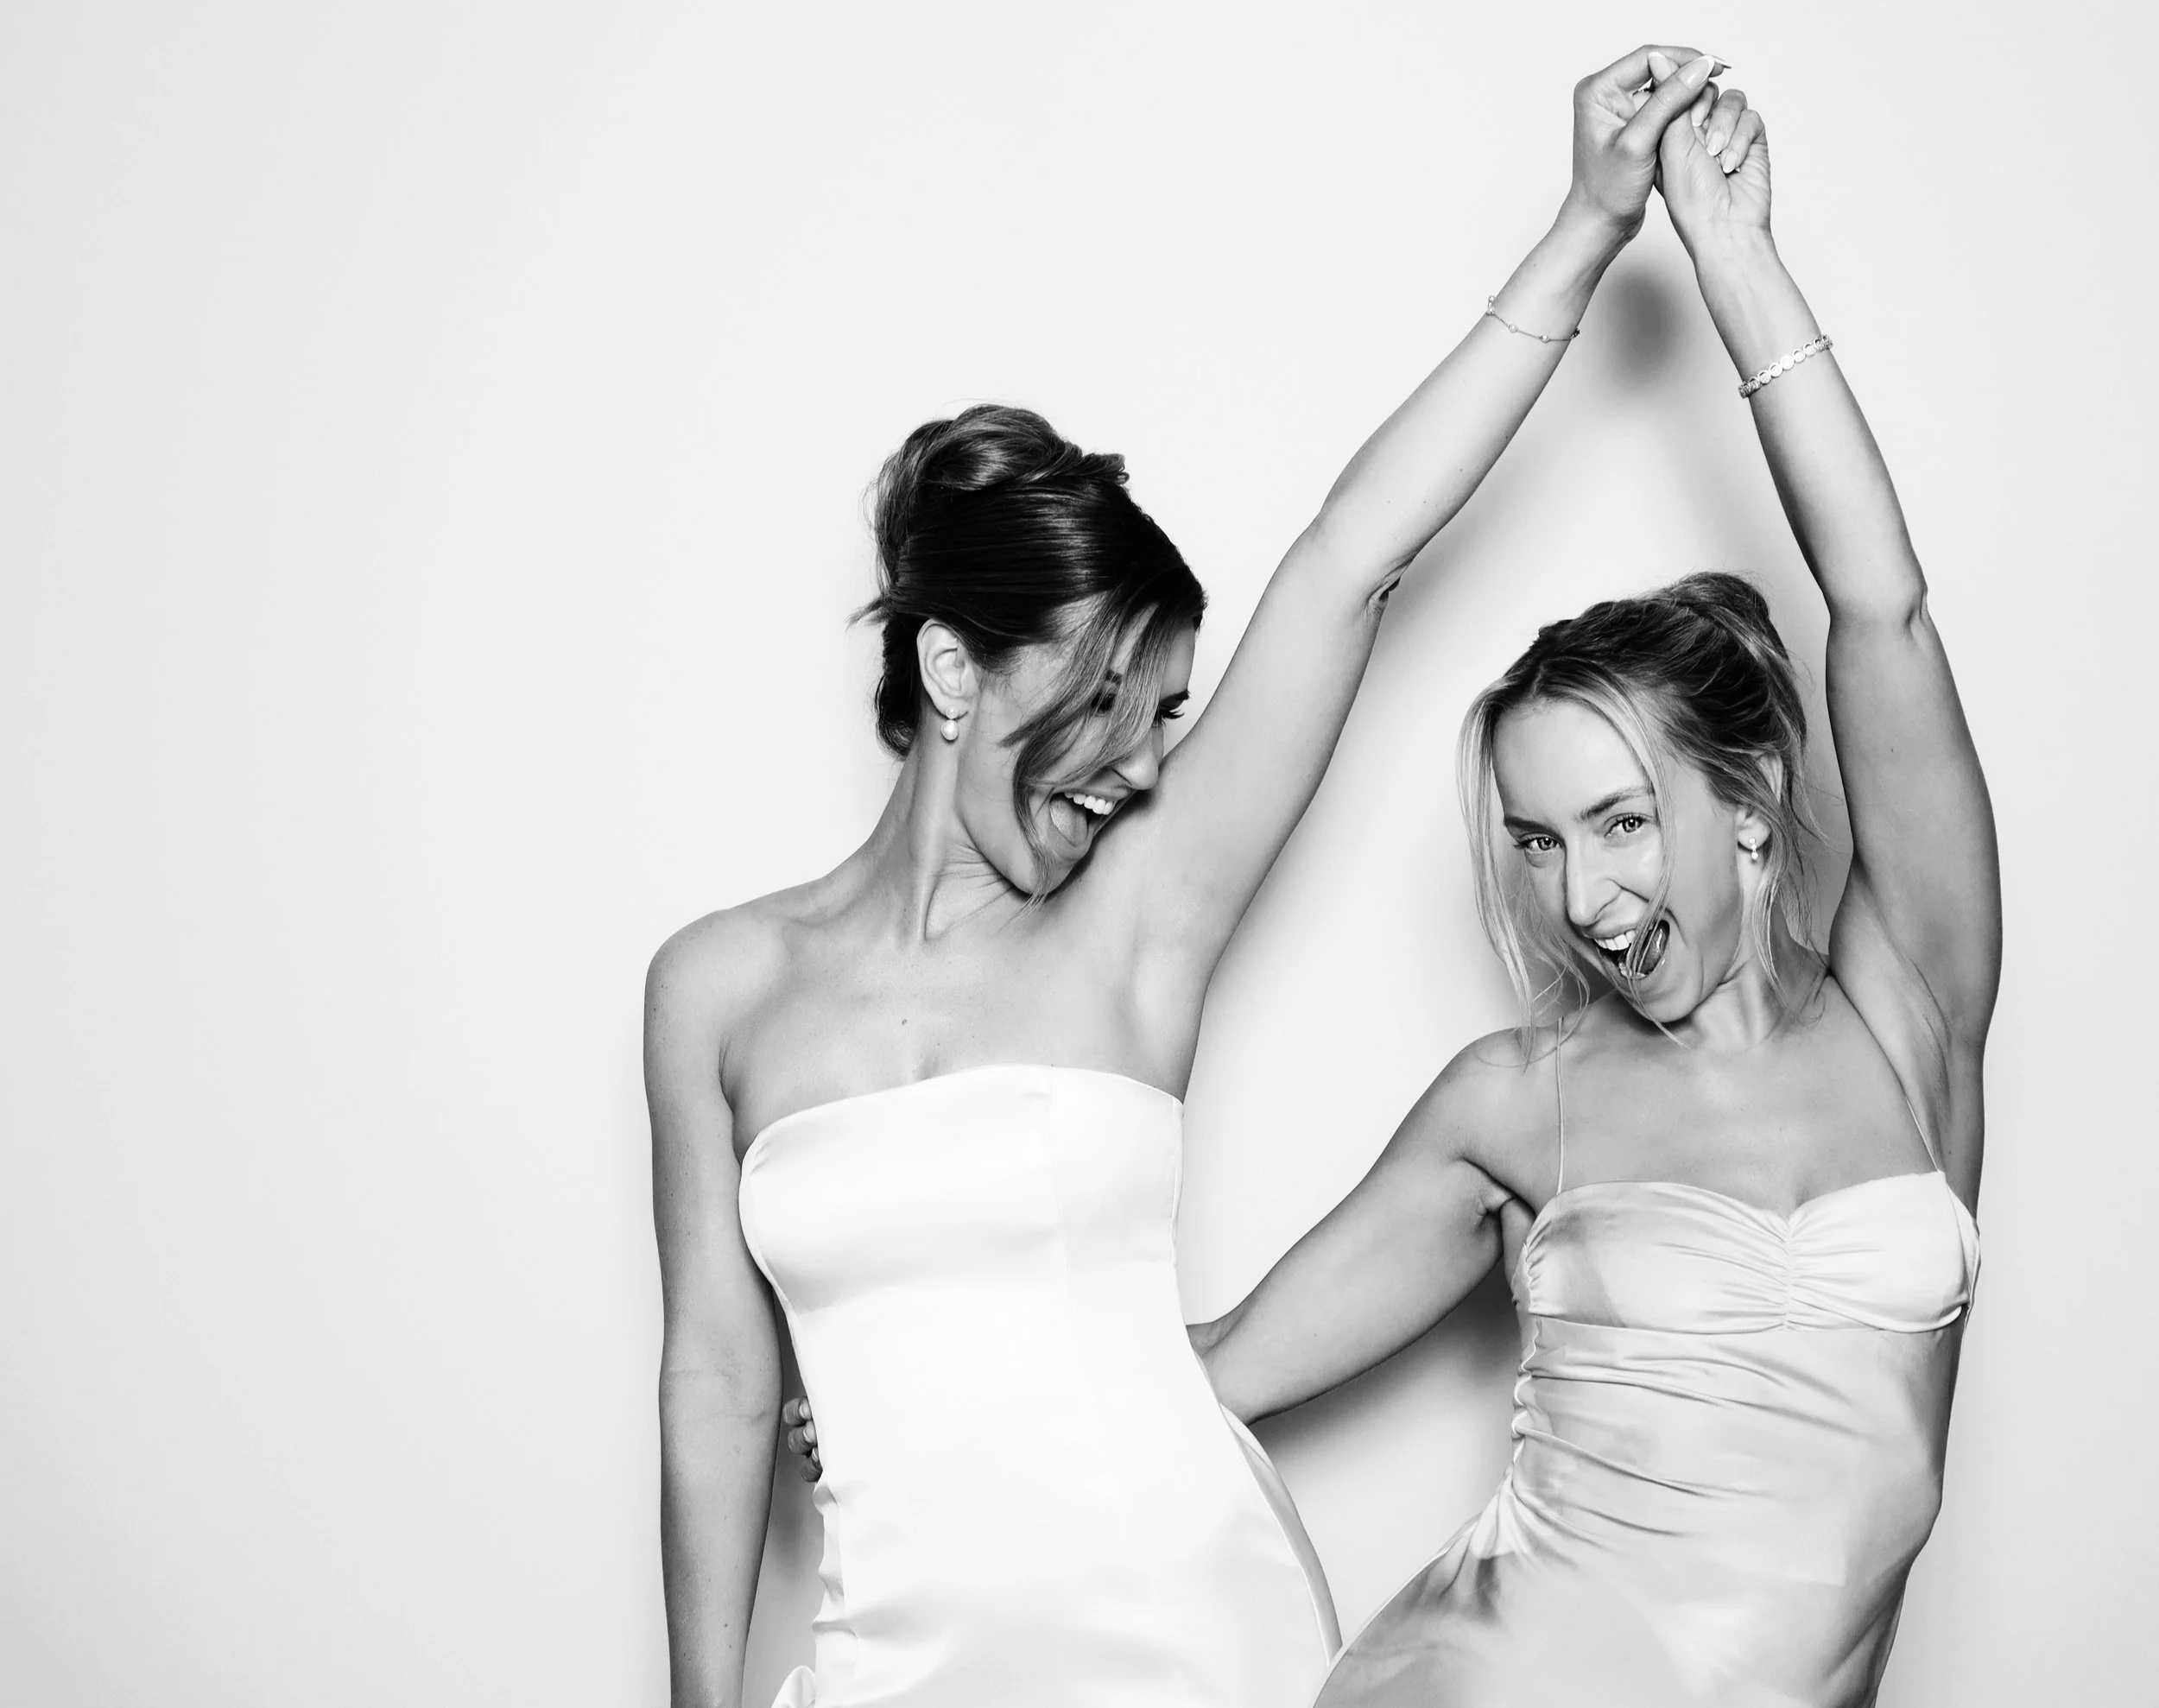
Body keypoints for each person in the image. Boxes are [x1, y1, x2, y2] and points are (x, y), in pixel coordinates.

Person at [651, 47, 1744, 1708]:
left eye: (1166, 714)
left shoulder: (1134, 927)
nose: (1144, 763)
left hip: (1182, 1636)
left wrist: (1587, 223)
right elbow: (721, 1381)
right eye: (1106, 706)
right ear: (955, 675)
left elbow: (1349, 559)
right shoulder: (714, 991)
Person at [1198, 83, 1997, 1708]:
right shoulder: (1523, 1104)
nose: (1580, 893)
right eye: (1539, 840)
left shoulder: (1908, 1016)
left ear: (1754, 803)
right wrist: (929, 1385)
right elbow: (1205, 1379)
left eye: (1622, 821)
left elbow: (1884, 609)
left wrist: (1734, 256)